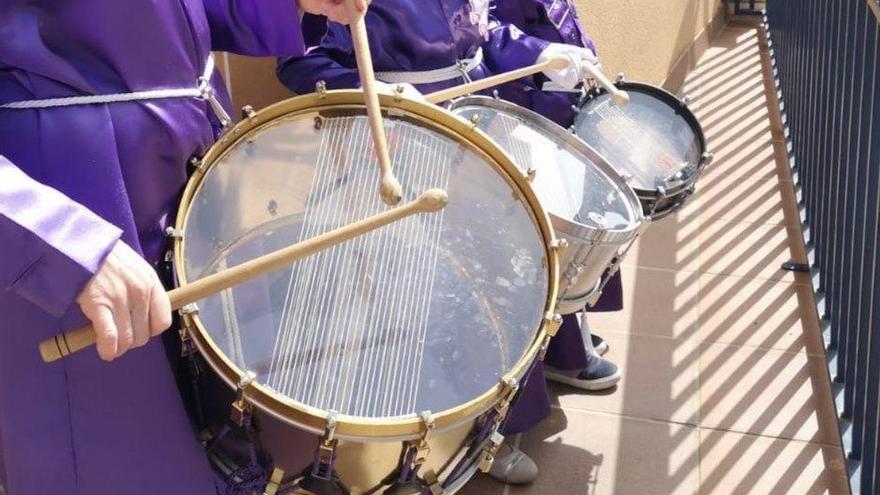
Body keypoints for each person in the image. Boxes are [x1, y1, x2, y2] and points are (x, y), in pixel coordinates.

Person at [0, 2, 365, 494]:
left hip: (194, 179)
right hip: (73, 201)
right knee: (118, 455)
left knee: (219, 427)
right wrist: (54, 238)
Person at [275, 1, 602, 485]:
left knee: (488, 279)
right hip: (390, 135)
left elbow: (483, 31)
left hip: (472, 125)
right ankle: (411, 439)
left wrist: (543, 51)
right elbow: (297, 55)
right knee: (406, 289)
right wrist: (376, 93)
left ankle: (489, 432)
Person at [490, 0, 623, 393]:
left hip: (556, 90)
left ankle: (567, 336)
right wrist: (541, 55)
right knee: (548, 238)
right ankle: (563, 352)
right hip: (526, 96)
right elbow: (488, 25)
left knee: (577, 218)